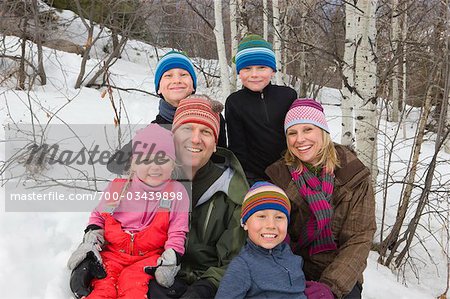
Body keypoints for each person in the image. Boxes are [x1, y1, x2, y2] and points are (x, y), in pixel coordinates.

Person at [265, 98, 376, 299]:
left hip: (339, 270)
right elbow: (273, 232)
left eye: (308, 129)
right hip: (294, 266)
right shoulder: (279, 176)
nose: (299, 139)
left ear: (322, 132)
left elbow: (359, 238)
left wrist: (331, 286)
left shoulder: (353, 175)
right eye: (292, 133)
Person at [67, 124, 190, 298]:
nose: (155, 167)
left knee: (134, 286)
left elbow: (178, 231)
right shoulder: (118, 188)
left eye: (162, 159)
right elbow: (99, 217)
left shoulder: (176, 192)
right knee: (103, 285)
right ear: (133, 163)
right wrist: (91, 241)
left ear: (173, 164)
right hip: (113, 255)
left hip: (148, 258)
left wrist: (171, 259)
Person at [147, 95, 249, 299]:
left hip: (210, 285)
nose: (195, 139)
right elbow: (122, 232)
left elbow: (236, 258)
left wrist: (207, 287)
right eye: (187, 129)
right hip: (157, 275)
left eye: (205, 132)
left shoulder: (232, 191)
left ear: (214, 144)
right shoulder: (148, 179)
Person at [108, 50, 227, 175]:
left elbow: (221, 161)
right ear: (158, 88)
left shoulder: (212, 118)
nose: (176, 80)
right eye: (168, 75)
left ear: (193, 86)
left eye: (184, 74)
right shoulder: (156, 129)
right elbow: (115, 163)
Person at [215, 181, 311, 299]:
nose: (271, 225)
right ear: (245, 223)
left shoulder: (291, 257)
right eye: (261, 216)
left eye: (279, 217)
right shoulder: (242, 266)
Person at [225, 34, 297, 184]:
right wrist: (247, 180)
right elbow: (237, 149)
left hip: (291, 172)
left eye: (262, 67)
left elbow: (297, 135)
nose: (254, 74)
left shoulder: (288, 96)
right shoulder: (235, 102)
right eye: (247, 68)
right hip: (254, 178)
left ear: (272, 70)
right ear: (239, 72)